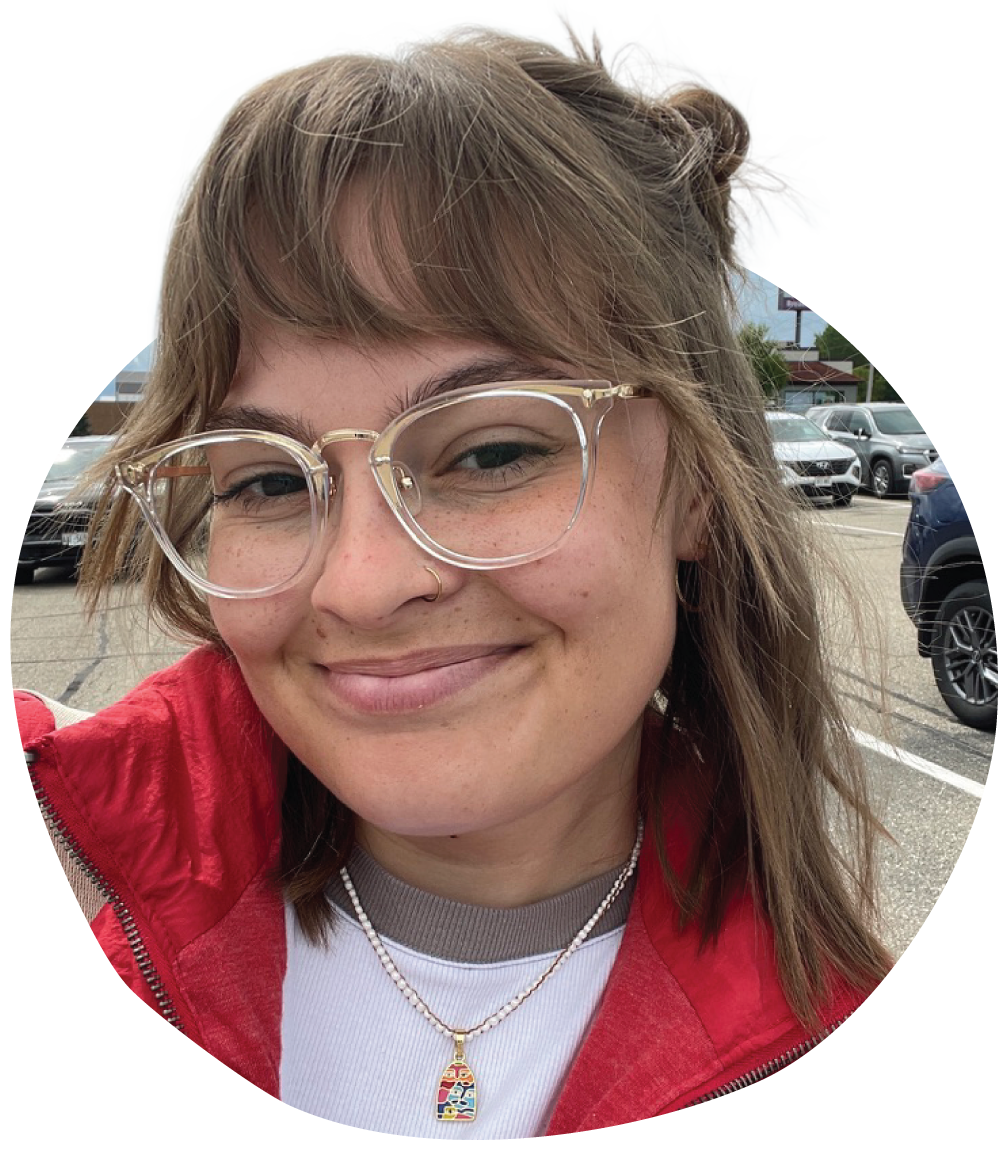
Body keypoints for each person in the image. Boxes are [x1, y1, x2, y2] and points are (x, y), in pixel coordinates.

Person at [18, 10, 892, 1136]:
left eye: (490, 453)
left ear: (699, 484)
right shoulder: (82, 854)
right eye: (268, 480)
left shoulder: (817, 1013)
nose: (361, 585)